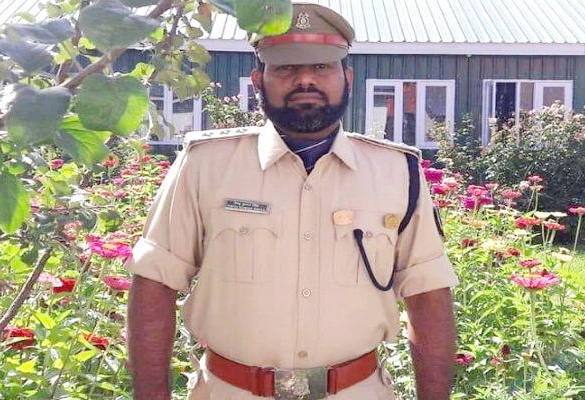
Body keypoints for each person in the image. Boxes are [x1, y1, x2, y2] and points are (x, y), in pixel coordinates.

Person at [126, 2, 458, 399]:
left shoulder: (396, 172)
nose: (305, 80)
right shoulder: (205, 166)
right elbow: (155, 282)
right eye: (285, 68)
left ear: (347, 78)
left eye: (322, 66)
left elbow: (428, 295)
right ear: (258, 80)